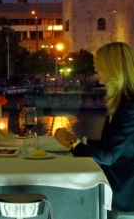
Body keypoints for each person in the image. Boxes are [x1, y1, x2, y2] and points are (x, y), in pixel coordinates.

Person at [55, 42, 134, 212]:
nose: (97, 72)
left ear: (113, 69)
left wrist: (73, 145)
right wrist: (77, 141)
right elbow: (110, 146)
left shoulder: (130, 107)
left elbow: (109, 156)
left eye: (100, 68)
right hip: (115, 184)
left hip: (123, 193)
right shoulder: (122, 103)